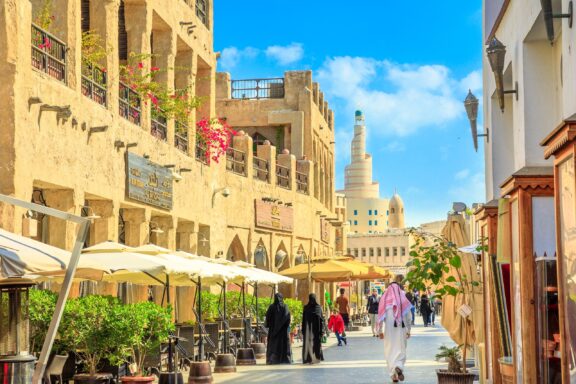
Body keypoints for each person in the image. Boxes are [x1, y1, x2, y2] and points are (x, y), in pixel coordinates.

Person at [377, 275, 413, 383]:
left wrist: (379, 331)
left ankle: (393, 375)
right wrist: (409, 330)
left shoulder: (384, 298)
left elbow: (380, 315)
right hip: (401, 329)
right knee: (401, 349)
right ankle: (399, 366)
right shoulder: (402, 297)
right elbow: (408, 316)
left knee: (389, 350)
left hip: (389, 331)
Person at [264, 292, 292, 364]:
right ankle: (285, 359)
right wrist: (283, 325)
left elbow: (267, 318)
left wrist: (272, 326)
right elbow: (287, 317)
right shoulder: (285, 306)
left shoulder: (271, 307)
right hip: (283, 331)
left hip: (273, 331)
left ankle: (272, 360)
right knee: (284, 345)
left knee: (273, 346)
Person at [302, 293, 325, 364]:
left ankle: (317, 357)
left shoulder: (319, 308)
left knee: (316, 344)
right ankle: (308, 359)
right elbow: (303, 320)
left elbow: (321, 320)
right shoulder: (306, 308)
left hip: (316, 330)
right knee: (308, 343)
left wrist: (322, 330)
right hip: (308, 330)